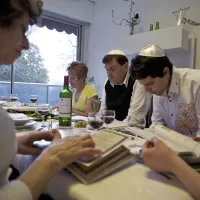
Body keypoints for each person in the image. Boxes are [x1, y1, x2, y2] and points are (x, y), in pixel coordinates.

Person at [0, 1, 101, 200]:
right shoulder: (71, 92)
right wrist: (53, 157)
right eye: (23, 29)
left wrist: (14, 143)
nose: (27, 44)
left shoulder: (91, 90)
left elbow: (90, 114)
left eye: (73, 77)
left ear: (80, 77)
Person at [130, 44, 200, 137]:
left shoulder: (196, 84)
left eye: (150, 83)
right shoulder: (157, 90)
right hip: (171, 146)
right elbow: (157, 125)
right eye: (143, 85)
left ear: (166, 72)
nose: (147, 90)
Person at [100, 49, 152, 127]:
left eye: (112, 69)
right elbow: (102, 111)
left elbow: (134, 121)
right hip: (110, 129)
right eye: (106, 69)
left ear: (125, 66)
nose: (109, 74)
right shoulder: (107, 82)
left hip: (133, 133)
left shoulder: (138, 82)